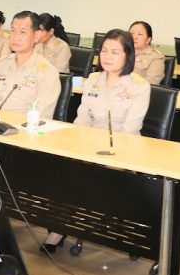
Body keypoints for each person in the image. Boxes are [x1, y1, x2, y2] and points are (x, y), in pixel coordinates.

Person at [43, 29, 150, 252]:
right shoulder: (92, 80)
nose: (107, 56)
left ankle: (72, 225)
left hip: (121, 153)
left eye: (115, 52)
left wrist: (95, 150)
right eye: (104, 51)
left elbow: (129, 130)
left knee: (82, 176)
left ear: (128, 55)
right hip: (88, 148)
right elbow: (82, 119)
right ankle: (59, 226)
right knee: (58, 167)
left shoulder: (139, 86)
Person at [0, 11, 60, 117]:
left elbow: (41, 117)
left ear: (36, 36)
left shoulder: (47, 73)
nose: (15, 37)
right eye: (13, 31)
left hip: (24, 126)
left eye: (23, 32)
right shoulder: (2, 66)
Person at [129, 20, 166, 85]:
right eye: (131, 33)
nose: (134, 37)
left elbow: (150, 84)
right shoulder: (121, 53)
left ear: (148, 40)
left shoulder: (156, 57)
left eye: (140, 34)